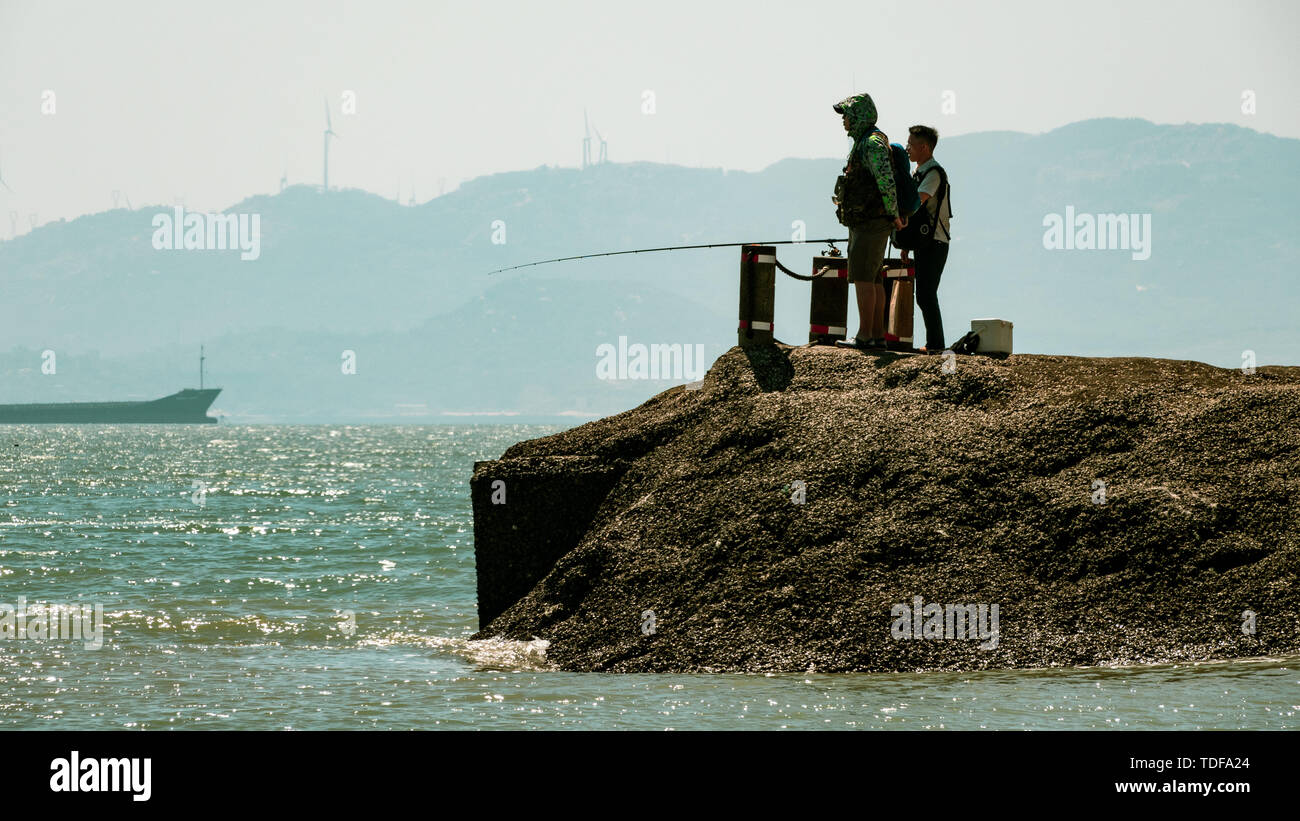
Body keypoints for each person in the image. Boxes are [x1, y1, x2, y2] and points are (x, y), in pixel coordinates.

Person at [831, 93, 906, 350]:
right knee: (873, 277)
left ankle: (864, 335)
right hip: (869, 220)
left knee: (864, 276)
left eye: (847, 116)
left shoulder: (871, 143)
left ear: (858, 116)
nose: (844, 122)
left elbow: (885, 181)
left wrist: (894, 214)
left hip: (871, 221)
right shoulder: (866, 141)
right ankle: (875, 335)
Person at [900, 125, 951, 354]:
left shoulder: (933, 174)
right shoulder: (919, 172)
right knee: (925, 294)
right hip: (925, 241)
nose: (908, 148)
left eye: (911, 144)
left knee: (926, 294)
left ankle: (936, 345)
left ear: (925, 147)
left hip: (936, 242)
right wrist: (906, 245)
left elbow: (917, 203)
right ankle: (934, 344)